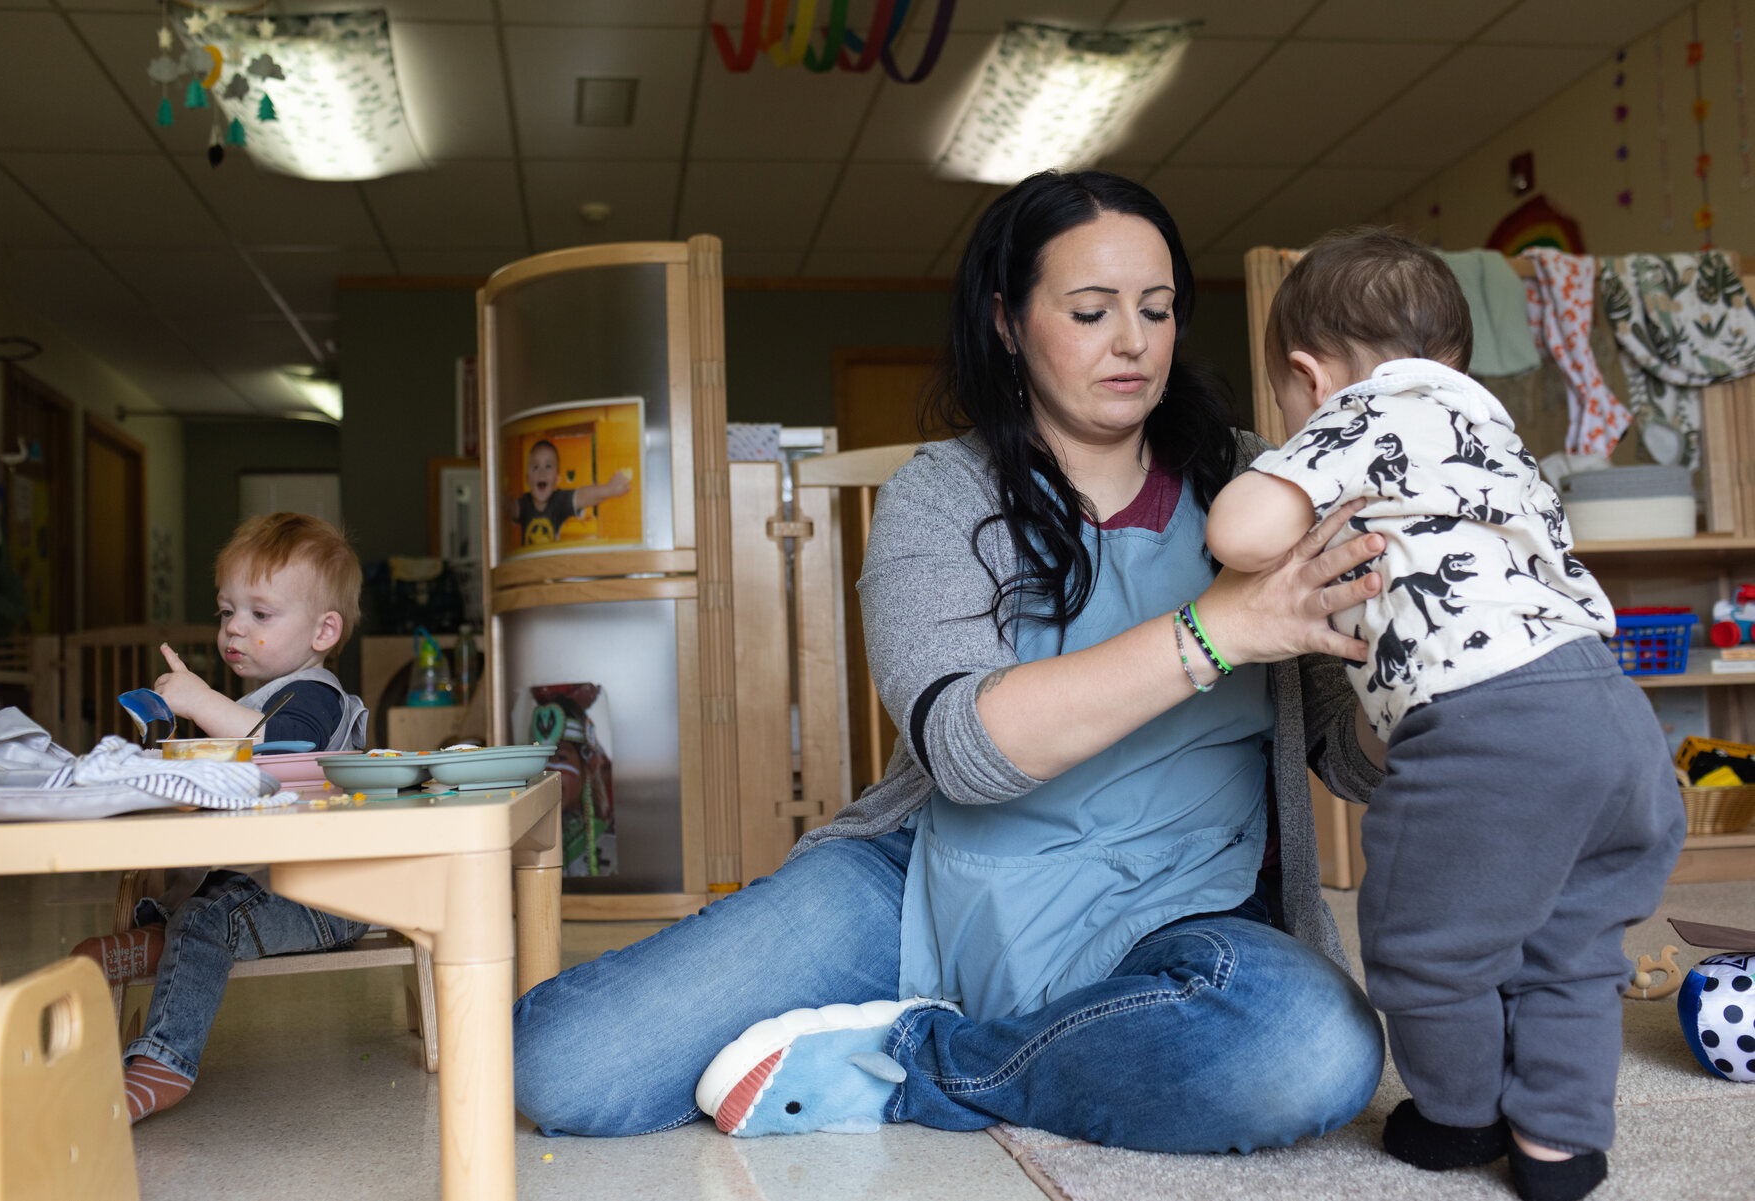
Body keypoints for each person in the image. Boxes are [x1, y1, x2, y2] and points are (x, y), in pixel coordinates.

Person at [514, 170, 1392, 1153]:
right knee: (568, 1061)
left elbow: (1349, 761)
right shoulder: (942, 495)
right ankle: (1027, 1046)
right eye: (1091, 310)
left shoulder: (1260, 484)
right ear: (1009, 322)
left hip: (1181, 900)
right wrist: (1218, 629)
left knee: (1310, 1047)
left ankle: (910, 1060)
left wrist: (1418, 660)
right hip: (931, 879)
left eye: (1158, 309)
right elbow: (969, 752)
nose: (1134, 341)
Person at [1206, 227, 1686, 1201]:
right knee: (1572, 947)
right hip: (1617, 720)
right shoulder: (1488, 433)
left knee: (1425, 942)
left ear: (1306, 377)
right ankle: (1559, 1144)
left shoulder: (1363, 413)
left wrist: (1290, 488)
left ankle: (1462, 1114)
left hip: (1490, 726)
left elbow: (1239, 530)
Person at [70, 512, 372, 1122]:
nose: (235, 627)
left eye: (260, 614)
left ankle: (164, 1061)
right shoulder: (260, 700)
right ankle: (161, 938)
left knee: (211, 917)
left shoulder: (314, 695)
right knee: (196, 898)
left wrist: (203, 704)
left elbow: (284, 747)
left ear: (323, 632)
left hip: (332, 897)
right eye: (226, 611)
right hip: (272, 885)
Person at [514, 438, 632, 547]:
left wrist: (609, 489)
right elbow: (507, 507)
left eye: (548, 466)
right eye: (535, 467)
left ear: (557, 479)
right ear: (528, 480)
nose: (542, 472)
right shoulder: (523, 504)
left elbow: (583, 496)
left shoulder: (558, 501)